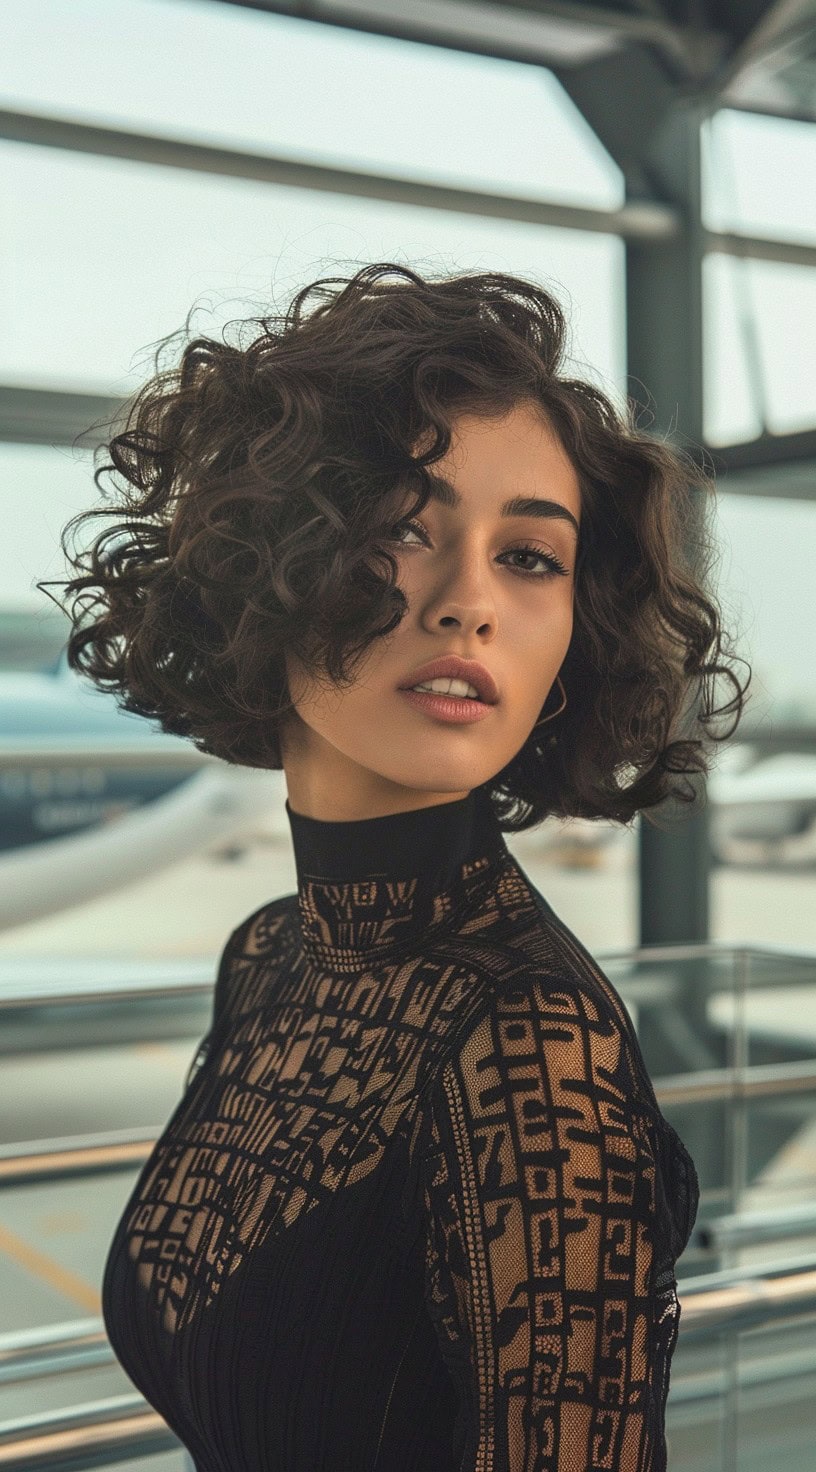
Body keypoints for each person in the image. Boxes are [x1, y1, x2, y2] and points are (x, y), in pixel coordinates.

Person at [40, 262, 749, 1470]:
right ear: (269, 564)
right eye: (402, 529)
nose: (469, 600)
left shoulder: (529, 1041)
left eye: (530, 556)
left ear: (578, 631)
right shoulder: (268, 951)